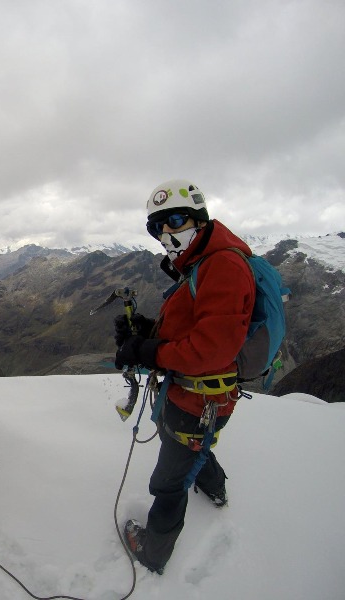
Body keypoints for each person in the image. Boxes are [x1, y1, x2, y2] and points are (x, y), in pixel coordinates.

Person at [113, 179, 256, 575]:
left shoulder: (222, 266)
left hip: (198, 400)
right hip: (194, 397)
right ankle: (216, 487)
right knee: (192, 446)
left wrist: (148, 351)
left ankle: (154, 551)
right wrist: (146, 331)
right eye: (157, 226)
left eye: (175, 221)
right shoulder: (202, 262)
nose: (166, 233)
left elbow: (209, 350)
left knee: (169, 480)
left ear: (199, 218)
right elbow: (192, 327)